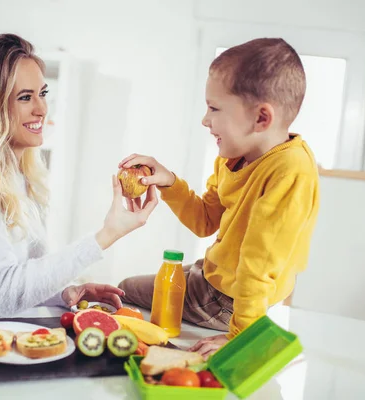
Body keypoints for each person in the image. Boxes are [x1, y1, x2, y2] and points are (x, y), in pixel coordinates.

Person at [0, 33, 158, 315]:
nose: (41, 109)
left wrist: (66, 292)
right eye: (25, 97)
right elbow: (3, 293)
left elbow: (22, 278)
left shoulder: (18, 169)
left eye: (43, 93)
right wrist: (106, 234)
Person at [118, 38, 320, 357]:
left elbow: (259, 263)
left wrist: (241, 337)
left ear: (261, 118)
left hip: (229, 299)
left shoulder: (289, 170)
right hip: (213, 275)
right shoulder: (233, 156)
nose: (205, 119)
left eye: (214, 108)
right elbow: (205, 221)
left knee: (125, 289)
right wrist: (169, 182)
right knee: (138, 286)